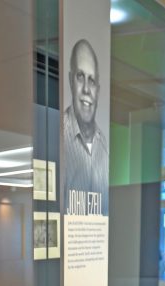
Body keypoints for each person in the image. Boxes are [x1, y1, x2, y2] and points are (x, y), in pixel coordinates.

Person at [62, 39, 109, 213]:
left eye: (92, 81)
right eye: (80, 77)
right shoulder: (57, 136)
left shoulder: (104, 146)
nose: (86, 90)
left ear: (98, 89)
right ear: (70, 80)